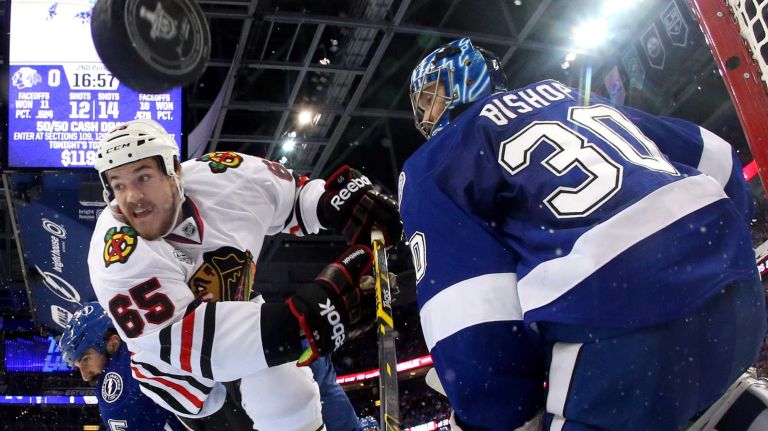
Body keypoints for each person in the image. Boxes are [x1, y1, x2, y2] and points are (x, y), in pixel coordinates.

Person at [399, 37, 766, 430]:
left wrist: (500, 416)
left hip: (616, 325)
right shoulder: (567, 96)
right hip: (734, 290)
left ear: (463, 81)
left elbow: (466, 307)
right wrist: (721, 253)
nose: (427, 113)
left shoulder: (435, 162)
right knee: (719, 401)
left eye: (431, 97)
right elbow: (718, 157)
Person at [86, 119, 401, 430]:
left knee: (290, 393)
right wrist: (304, 321)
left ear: (175, 172)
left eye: (143, 177)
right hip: (183, 378)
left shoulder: (225, 175)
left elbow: (294, 197)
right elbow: (201, 343)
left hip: (238, 312)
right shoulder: (115, 255)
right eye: (119, 184)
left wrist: (336, 203)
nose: (132, 197)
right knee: (276, 389)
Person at [58, 301, 189, 431]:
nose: (85, 376)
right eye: (78, 366)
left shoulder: (119, 383)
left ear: (113, 343)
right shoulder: (148, 337)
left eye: (86, 360)